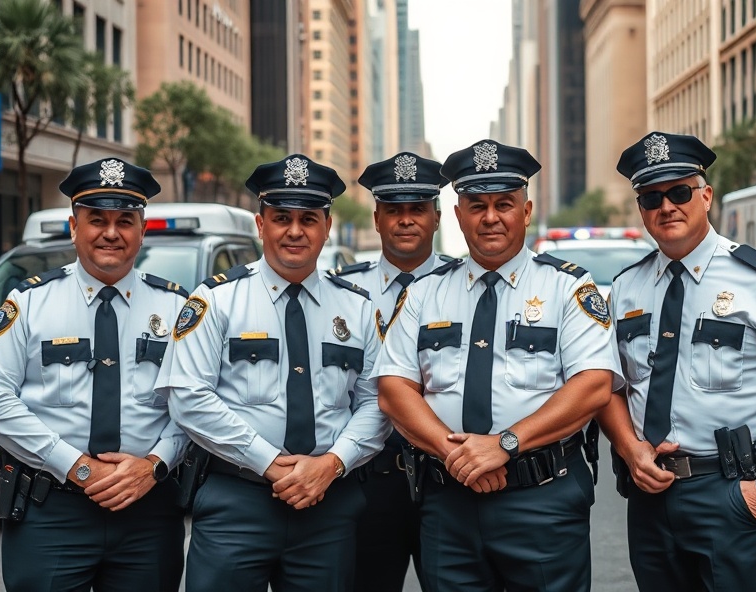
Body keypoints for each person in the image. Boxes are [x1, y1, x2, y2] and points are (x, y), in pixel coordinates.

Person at [601, 131, 756, 591]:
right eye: (652, 197)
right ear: (641, 208)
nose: (667, 207)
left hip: (734, 493)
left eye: (679, 192)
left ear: (706, 196)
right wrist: (630, 449)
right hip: (650, 496)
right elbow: (609, 387)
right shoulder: (626, 288)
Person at [374, 139, 621, 591]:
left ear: (525, 212)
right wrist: (457, 455)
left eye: (504, 204)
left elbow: (593, 385)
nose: (491, 217)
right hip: (448, 502)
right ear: (457, 215)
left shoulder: (567, 287)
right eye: (477, 206)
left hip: (543, 500)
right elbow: (393, 389)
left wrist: (504, 445)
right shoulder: (425, 293)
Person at [157, 154, 389, 592]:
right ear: (261, 225)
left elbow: (377, 402)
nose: (295, 230)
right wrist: (268, 463)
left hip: (328, 505)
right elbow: (188, 397)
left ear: (327, 226)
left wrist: (332, 463)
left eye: (308, 219)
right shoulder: (216, 300)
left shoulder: (358, 308)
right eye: (282, 217)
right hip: (236, 501)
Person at [0, 158, 188, 592]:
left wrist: (155, 464)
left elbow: (194, 402)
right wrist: (76, 467)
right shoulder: (30, 303)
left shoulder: (177, 309)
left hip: (147, 512)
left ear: (142, 231)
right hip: (51, 512)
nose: (111, 232)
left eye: (125, 221)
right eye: (96, 219)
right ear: (73, 227)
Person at [334, 151, 448, 591]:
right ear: (377, 219)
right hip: (366, 477)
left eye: (417, 209)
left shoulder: (467, 286)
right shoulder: (341, 292)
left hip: (447, 475)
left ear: (437, 218)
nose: (405, 220)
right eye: (394, 210)